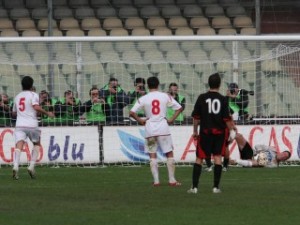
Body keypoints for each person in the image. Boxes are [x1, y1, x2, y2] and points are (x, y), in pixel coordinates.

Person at [188, 73, 236, 194]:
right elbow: (227, 118)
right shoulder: (222, 99)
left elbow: (196, 117)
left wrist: (195, 131)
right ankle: (215, 187)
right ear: (219, 85)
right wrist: (232, 132)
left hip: (205, 133)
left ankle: (194, 187)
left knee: (199, 158)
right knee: (217, 158)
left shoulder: (201, 97)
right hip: (219, 134)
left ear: (208, 83)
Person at [129, 76, 183, 187]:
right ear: (158, 85)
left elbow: (131, 112)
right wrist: (172, 119)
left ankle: (156, 181)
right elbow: (179, 108)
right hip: (163, 128)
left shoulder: (144, 98)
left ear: (148, 86)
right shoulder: (165, 96)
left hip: (150, 130)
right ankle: (172, 180)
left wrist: (140, 120)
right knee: (169, 153)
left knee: (152, 154)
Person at [12, 76, 54, 180]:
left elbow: (13, 113)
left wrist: (22, 113)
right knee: (37, 143)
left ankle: (16, 166)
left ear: (22, 85)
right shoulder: (33, 94)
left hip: (20, 124)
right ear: (31, 85)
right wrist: (47, 113)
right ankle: (31, 166)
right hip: (32, 124)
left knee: (19, 145)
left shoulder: (17, 96)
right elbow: (35, 107)